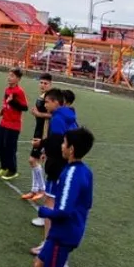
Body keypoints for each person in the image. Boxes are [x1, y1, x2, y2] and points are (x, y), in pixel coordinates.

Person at [19, 127, 93, 267]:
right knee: (38, 266)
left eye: (64, 143)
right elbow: (86, 204)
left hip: (63, 233)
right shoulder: (83, 170)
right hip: (67, 230)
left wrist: (44, 211)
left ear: (71, 149)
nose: (61, 146)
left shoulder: (72, 174)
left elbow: (63, 211)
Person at [29, 89, 79, 253]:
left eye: (47, 101)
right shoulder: (69, 116)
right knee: (59, 202)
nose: (45, 104)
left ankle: (48, 243)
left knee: (50, 203)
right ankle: (55, 240)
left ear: (56, 102)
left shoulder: (57, 118)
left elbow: (57, 142)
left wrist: (42, 146)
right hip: (68, 165)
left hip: (58, 166)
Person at [0, 67, 29, 180]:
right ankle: (4, 166)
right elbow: (5, 104)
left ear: (18, 79)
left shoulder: (19, 92)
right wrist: (2, 111)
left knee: (10, 148)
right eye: (9, 75)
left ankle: (13, 170)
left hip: (13, 125)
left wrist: (12, 101)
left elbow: (24, 107)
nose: (9, 77)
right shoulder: (7, 90)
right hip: (4, 122)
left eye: (12, 76)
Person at [24, 73, 53, 199]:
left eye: (45, 83)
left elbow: (51, 115)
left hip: (44, 132)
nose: (42, 85)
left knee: (33, 160)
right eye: (41, 82)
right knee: (34, 161)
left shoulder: (49, 98)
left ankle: (42, 189)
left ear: (50, 84)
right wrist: (36, 113)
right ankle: (34, 190)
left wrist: (38, 114)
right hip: (38, 130)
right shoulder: (42, 96)